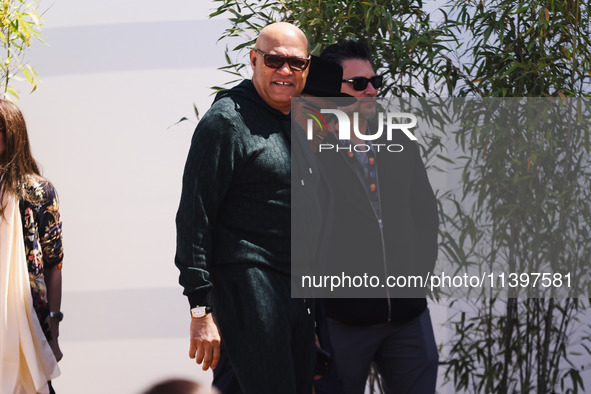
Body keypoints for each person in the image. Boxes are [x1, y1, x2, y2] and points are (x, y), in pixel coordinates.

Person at [175, 22, 318, 394]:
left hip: (294, 292)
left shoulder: (299, 120)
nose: (285, 71)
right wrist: (200, 311)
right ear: (254, 60)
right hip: (248, 288)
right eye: (274, 60)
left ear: (307, 68)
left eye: (296, 63)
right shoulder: (226, 122)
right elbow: (193, 217)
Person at [313, 40, 439, 394]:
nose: (371, 90)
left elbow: (425, 214)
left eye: (374, 81)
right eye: (358, 84)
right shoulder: (310, 149)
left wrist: (418, 279)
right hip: (341, 320)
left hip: (407, 318)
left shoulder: (399, 141)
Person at [0, 99, 63, 394]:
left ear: (13, 134)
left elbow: (54, 262)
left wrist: (54, 322)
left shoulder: (38, 190)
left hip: (28, 315)